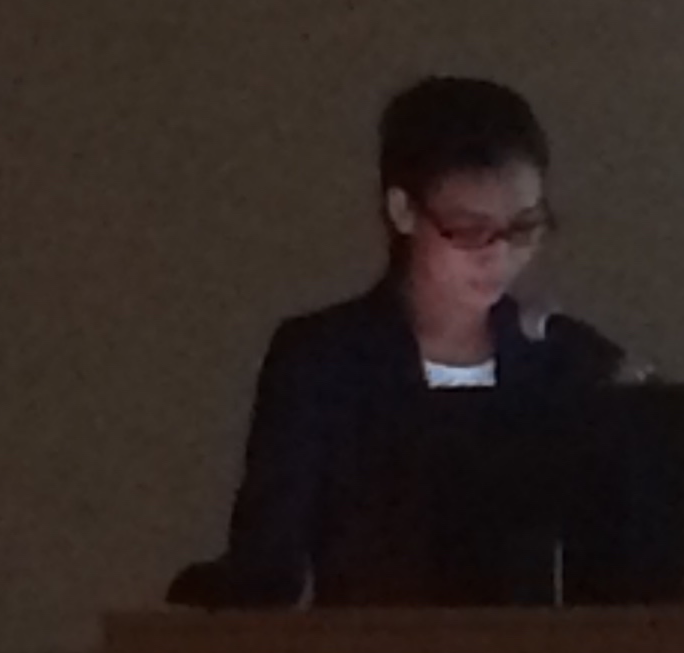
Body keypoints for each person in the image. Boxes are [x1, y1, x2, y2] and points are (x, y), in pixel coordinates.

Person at [170, 77, 643, 608]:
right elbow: (269, 560)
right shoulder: (325, 360)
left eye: (524, 228)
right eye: (468, 230)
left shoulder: (571, 361)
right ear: (403, 211)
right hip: (369, 652)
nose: (498, 254)